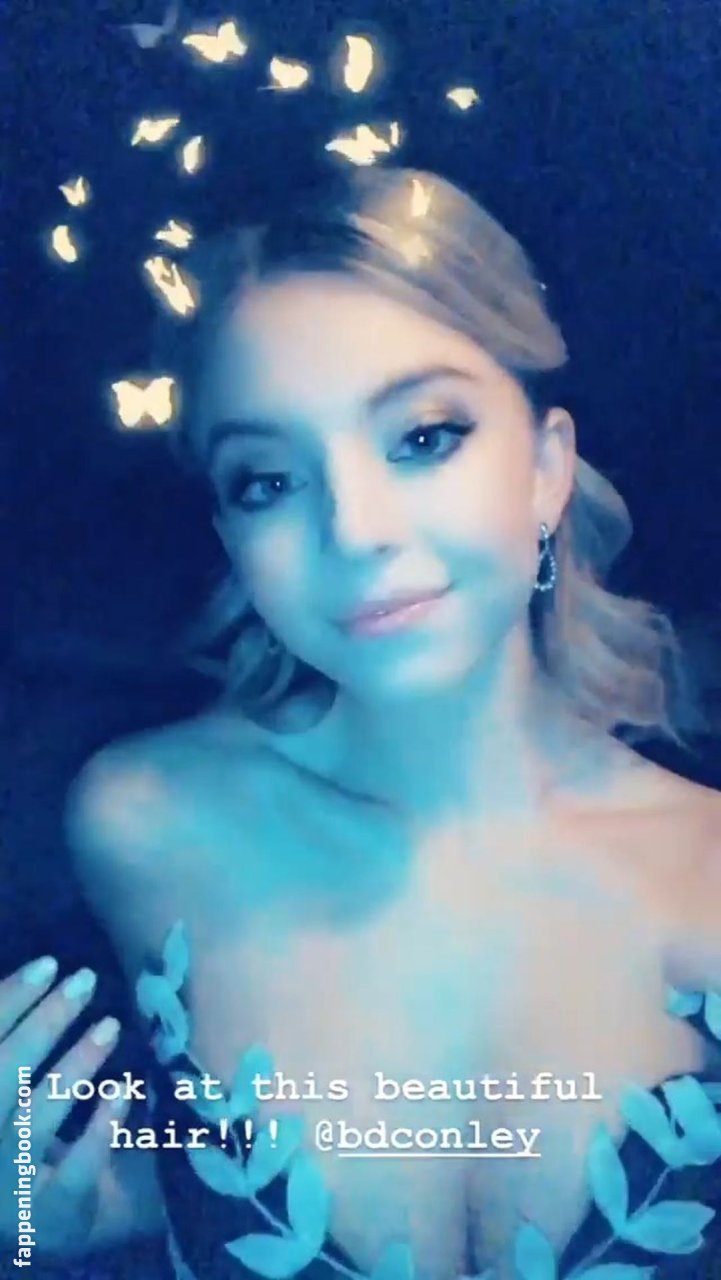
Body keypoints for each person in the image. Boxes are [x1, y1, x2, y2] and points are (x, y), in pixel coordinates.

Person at [2, 166, 720, 1278]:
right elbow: (171, 1179)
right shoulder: (145, 824)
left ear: (546, 469)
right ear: (231, 535)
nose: (355, 528)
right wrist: (44, 1227)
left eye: (422, 436)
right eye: (268, 480)